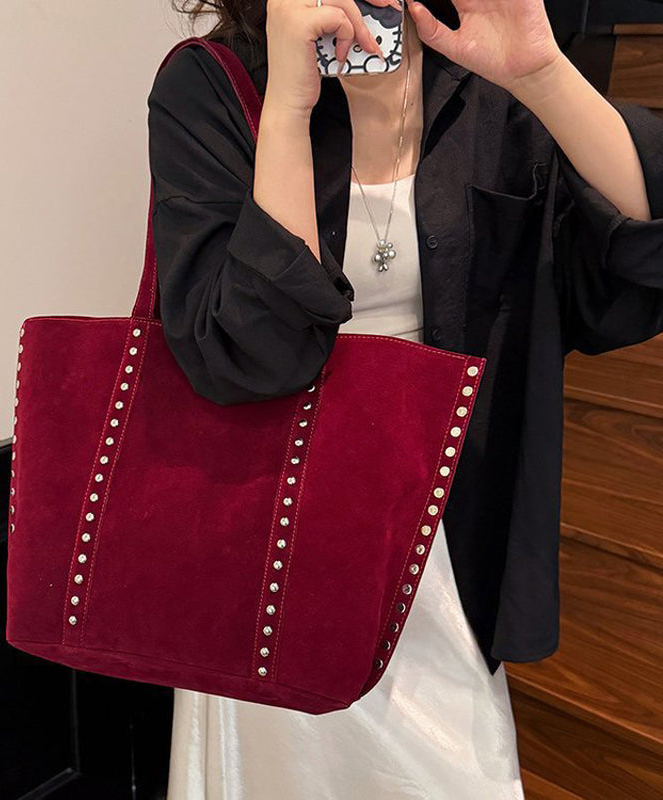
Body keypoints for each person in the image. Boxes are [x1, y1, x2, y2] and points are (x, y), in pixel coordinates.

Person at [146, 0, 663, 796]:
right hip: (271, 548)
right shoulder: (213, 86)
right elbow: (249, 358)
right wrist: (287, 110)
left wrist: (542, 74)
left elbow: (637, 266)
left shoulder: (480, 75)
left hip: (446, 545)